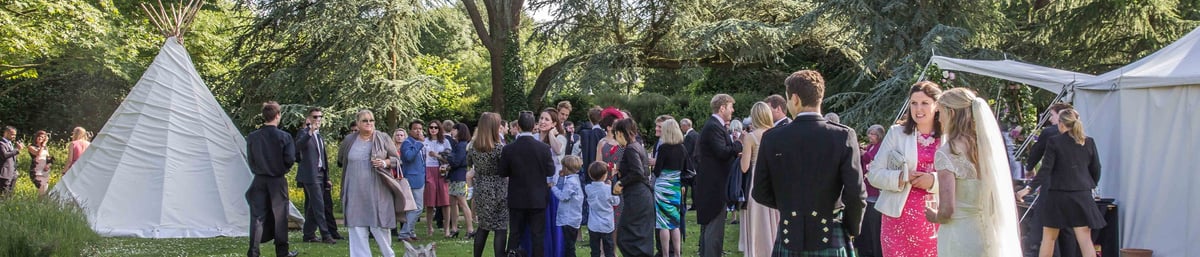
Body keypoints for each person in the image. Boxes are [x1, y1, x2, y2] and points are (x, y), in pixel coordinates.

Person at [752, 70, 867, 256]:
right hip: (831, 230)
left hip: (790, 234)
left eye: (788, 100)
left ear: (795, 99)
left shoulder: (772, 138)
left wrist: (791, 209)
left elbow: (760, 192)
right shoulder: (843, 136)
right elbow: (855, 194)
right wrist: (852, 229)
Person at [923, 88, 1022, 256]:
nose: (939, 119)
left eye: (941, 113)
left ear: (952, 113)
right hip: (987, 233)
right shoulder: (987, 148)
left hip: (959, 236)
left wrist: (934, 216)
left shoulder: (947, 153)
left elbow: (947, 210)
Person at [866, 81, 944, 257]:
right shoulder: (896, 133)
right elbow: (874, 174)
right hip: (897, 219)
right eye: (914, 103)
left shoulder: (948, 136)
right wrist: (901, 177)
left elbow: (960, 178)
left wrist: (933, 181)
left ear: (937, 106)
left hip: (935, 219)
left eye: (925, 103)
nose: (918, 109)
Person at [1025, 108, 1104, 257]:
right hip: (1082, 194)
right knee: (1085, 239)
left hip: (1058, 195)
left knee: (1049, 237)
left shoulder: (1054, 141)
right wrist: (1088, 184)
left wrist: (1029, 188)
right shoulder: (1088, 142)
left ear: (1061, 124)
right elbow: (1096, 169)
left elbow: (1045, 170)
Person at [336, 109, 402, 257]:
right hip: (354, 190)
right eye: (365, 120)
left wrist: (385, 162)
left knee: (380, 225)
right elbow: (341, 160)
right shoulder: (349, 140)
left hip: (378, 190)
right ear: (358, 123)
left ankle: (388, 255)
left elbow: (397, 160)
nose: (369, 123)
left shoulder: (383, 138)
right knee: (356, 227)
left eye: (371, 120)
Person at [244, 101, 299, 257]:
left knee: (257, 217)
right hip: (277, 180)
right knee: (280, 217)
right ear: (278, 115)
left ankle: (253, 252)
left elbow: (251, 159)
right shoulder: (285, 136)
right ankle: (282, 252)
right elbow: (289, 158)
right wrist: (282, 169)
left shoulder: (253, 137)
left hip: (259, 179)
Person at [500, 111, 556, 257]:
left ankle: (512, 254)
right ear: (534, 127)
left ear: (518, 126)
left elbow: (502, 172)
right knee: (537, 235)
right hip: (537, 197)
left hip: (516, 197)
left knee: (515, 234)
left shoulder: (509, 149)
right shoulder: (543, 148)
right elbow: (550, 171)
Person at [695, 94, 742, 257]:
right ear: (722, 108)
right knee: (714, 231)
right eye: (730, 107)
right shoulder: (713, 126)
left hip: (714, 185)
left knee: (712, 230)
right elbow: (722, 152)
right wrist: (738, 143)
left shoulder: (716, 126)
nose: (732, 110)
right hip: (713, 188)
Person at [737, 102, 780, 257]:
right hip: (773, 178)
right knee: (774, 218)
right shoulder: (777, 133)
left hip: (756, 178)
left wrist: (741, 150)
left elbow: (744, 167)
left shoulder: (750, 137)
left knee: (756, 219)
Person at [611, 118, 654, 257]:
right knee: (639, 234)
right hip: (642, 195)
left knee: (626, 236)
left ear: (619, 133)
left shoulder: (630, 149)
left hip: (637, 196)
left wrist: (621, 183)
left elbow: (637, 172)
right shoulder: (637, 146)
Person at [469, 112, 510, 257]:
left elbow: (469, 164)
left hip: (481, 187)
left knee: (483, 227)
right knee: (501, 227)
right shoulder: (499, 148)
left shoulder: (474, 147)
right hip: (498, 188)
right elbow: (506, 169)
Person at [295, 107, 337, 244]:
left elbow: (323, 157)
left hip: (320, 173)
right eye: (314, 117)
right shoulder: (304, 133)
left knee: (314, 205)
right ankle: (326, 235)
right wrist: (309, 131)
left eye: (320, 117)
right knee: (319, 204)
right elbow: (297, 147)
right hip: (309, 175)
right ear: (308, 118)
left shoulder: (319, 136)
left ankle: (308, 235)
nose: (317, 119)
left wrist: (327, 177)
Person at [536, 107, 569, 257]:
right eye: (541, 118)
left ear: (554, 123)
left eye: (546, 119)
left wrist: (550, 133)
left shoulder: (560, 137)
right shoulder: (533, 137)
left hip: (553, 185)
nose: (542, 122)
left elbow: (557, 151)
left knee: (552, 221)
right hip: (535, 184)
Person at [652, 119, 686, 257]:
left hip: (662, 186)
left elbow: (657, 171)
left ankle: (665, 254)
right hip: (675, 186)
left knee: (663, 224)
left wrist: (653, 165)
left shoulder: (664, 148)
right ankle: (677, 253)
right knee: (675, 222)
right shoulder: (682, 148)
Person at [1025, 103, 1074, 177]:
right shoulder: (1080, 133)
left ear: (1060, 115)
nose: (1050, 119)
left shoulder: (1049, 132)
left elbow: (1037, 151)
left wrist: (1030, 168)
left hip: (1056, 178)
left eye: (1052, 115)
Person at [397, 120, 427, 242]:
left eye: (420, 128)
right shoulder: (407, 143)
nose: (418, 131)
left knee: (415, 208)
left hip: (420, 178)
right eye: (415, 129)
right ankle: (404, 233)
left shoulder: (415, 143)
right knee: (417, 208)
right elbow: (409, 157)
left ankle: (411, 231)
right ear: (410, 130)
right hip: (412, 179)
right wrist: (419, 143)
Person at [423, 120, 453, 238]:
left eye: (436, 127)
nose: (433, 129)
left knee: (445, 201)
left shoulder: (445, 142)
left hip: (442, 170)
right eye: (431, 127)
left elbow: (450, 158)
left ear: (439, 129)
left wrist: (437, 155)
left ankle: (446, 229)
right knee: (430, 202)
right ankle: (430, 228)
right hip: (429, 169)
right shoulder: (425, 141)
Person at [552, 155, 585, 257]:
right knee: (569, 245)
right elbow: (561, 188)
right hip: (573, 218)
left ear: (566, 168)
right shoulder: (574, 179)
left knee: (569, 246)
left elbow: (563, 196)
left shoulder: (571, 182)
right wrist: (561, 178)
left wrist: (552, 187)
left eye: (562, 167)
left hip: (569, 219)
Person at [586, 161, 621, 257]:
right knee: (609, 249)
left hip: (593, 224)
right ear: (605, 175)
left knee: (595, 250)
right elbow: (616, 201)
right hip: (607, 224)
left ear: (590, 175)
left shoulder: (588, 188)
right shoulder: (608, 189)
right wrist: (611, 187)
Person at [447, 122, 475, 239]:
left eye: (454, 130)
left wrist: (448, 156)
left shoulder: (462, 145)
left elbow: (456, 162)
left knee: (462, 203)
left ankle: (470, 229)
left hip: (459, 177)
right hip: (454, 176)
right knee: (453, 203)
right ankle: (454, 228)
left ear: (459, 131)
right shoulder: (458, 144)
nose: (452, 132)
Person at [22, 130, 51, 195]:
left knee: (45, 189)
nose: (40, 138)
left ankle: (41, 203)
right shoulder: (31, 147)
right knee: (41, 187)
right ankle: (40, 203)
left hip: (45, 171)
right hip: (36, 171)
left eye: (43, 137)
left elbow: (49, 158)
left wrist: (48, 165)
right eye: (39, 136)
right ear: (36, 137)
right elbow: (38, 154)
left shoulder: (45, 148)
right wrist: (43, 145)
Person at [861, 124, 886, 198]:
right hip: (866, 181)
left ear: (879, 135)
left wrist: (865, 154)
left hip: (874, 183)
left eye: (872, 134)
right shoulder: (870, 146)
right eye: (869, 133)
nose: (869, 136)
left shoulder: (882, 146)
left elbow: (875, 160)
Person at [680, 118, 699, 211]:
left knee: (686, 184)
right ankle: (695, 203)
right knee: (695, 185)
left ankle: (684, 203)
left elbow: (686, 151)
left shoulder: (689, 136)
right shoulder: (696, 135)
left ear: (685, 126)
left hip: (689, 164)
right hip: (696, 164)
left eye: (681, 126)